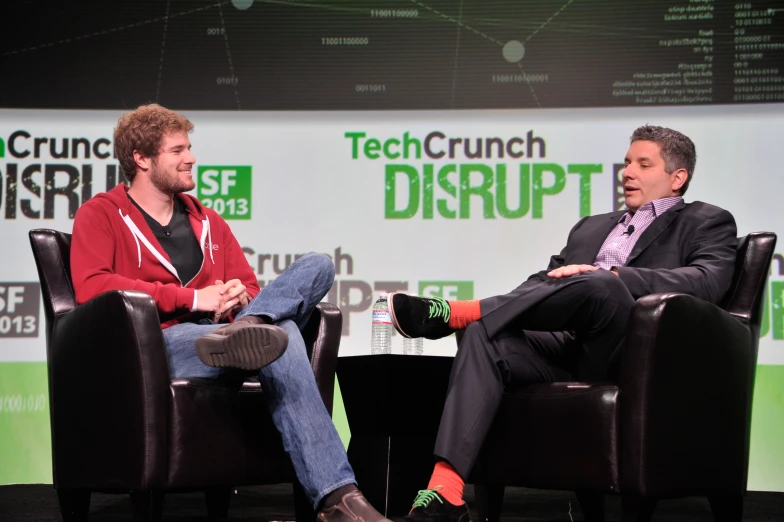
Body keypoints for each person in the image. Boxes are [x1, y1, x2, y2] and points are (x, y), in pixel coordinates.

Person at [386, 125, 738, 522]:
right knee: (485, 333)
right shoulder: (591, 226)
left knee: (603, 283)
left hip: (631, 353)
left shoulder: (706, 221)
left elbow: (708, 280)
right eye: (626, 163)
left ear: (678, 178)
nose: (627, 173)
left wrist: (620, 277)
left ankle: (458, 311)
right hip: (566, 348)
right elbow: (543, 284)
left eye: (643, 164)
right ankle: (446, 491)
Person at [70, 104, 390, 522]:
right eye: (178, 150)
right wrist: (192, 300)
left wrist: (242, 300)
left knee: (318, 266)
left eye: (190, 147)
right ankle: (340, 498)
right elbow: (92, 285)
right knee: (287, 335)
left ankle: (250, 328)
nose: (191, 158)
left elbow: (252, 286)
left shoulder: (209, 221)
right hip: (160, 345)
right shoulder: (102, 214)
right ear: (142, 159)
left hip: (225, 335)